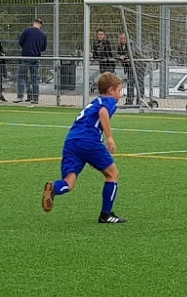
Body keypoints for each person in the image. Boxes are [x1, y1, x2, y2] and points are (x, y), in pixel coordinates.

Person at [41, 72, 127, 224]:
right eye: (119, 91)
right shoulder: (109, 101)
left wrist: (90, 156)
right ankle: (106, 215)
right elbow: (103, 113)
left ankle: (55, 188)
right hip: (89, 142)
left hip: (71, 141)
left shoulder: (94, 102)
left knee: (69, 182)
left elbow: (91, 123)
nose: (120, 95)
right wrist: (109, 137)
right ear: (111, 90)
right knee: (113, 174)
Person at [16, 19, 46, 104]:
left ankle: (20, 96)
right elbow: (43, 48)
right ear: (40, 25)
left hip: (26, 56)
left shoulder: (27, 31)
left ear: (33, 23)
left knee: (21, 76)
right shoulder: (43, 35)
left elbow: (21, 42)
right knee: (34, 78)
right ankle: (35, 98)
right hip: (36, 58)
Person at [116, 32, 135, 105]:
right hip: (129, 67)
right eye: (121, 38)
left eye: (124, 38)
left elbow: (132, 53)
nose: (122, 40)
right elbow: (115, 53)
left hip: (138, 66)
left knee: (137, 83)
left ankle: (138, 100)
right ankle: (129, 101)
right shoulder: (119, 46)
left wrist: (124, 56)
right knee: (130, 83)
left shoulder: (131, 44)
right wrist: (119, 56)